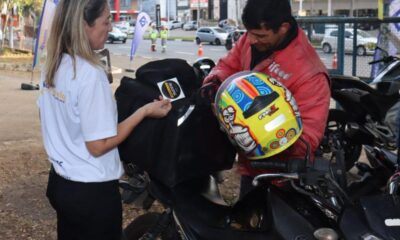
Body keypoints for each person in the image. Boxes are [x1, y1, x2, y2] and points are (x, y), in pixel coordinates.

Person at [37, 1, 172, 240]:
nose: (110, 27)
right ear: (83, 25)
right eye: (106, 21)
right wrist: (144, 112)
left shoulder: (53, 64)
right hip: (91, 193)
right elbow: (98, 145)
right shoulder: (89, 74)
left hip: (60, 183)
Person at [203, 0, 330, 197]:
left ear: (283, 28)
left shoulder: (310, 73)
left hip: (282, 176)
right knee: (245, 216)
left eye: (260, 35)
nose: (252, 40)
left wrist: (267, 141)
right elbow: (228, 65)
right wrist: (213, 85)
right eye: (249, 33)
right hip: (250, 167)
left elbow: (308, 137)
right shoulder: (252, 37)